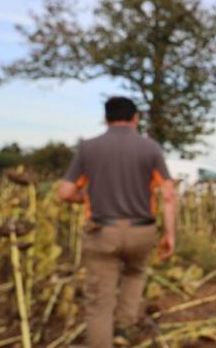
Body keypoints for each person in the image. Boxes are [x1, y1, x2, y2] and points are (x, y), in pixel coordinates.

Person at [58, 96, 177, 348]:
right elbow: (168, 195)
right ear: (136, 118)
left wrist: (88, 197)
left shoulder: (88, 148)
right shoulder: (151, 148)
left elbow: (66, 192)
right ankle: (124, 329)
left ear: (106, 118)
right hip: (141, 231)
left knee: (99, 302)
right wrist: (170, 235)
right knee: (135, 274)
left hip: (102, 231)